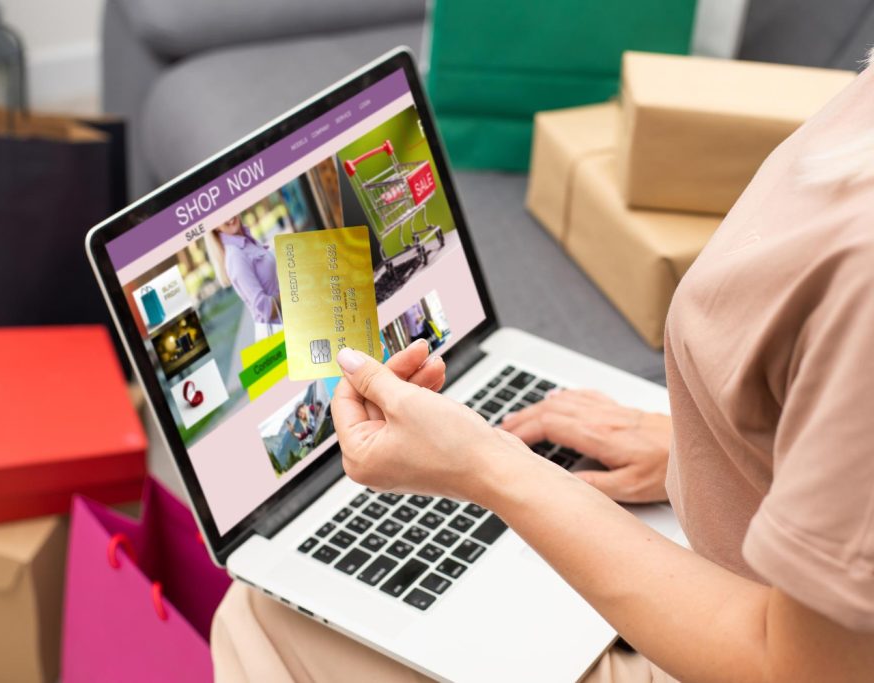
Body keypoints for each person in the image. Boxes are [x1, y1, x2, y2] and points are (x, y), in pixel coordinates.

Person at [211, 59, 874, 682]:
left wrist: (489, 467)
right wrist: (701, 454)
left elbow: (797, 666)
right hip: (754, 549)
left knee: (257, 614)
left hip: (740, 639)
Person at [204, 215, 282, 340]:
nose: (228, 216)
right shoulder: (236, 256)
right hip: (279, 335)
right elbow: (265, 309)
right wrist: (292, 291)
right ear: (215, 228)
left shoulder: (245, 240)